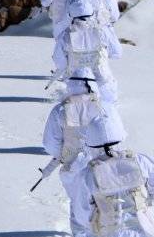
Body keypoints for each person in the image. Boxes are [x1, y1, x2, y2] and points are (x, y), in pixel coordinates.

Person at [40, 68, 118, 203]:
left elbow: (51, 144)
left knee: (78, 205)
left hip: (73, 166)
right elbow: (117, 137)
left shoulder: (60, 110)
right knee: (105, 206)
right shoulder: (107, 107)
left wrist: (63, 156)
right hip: (104, 166)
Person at [52, 0, 121, 101]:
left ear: (71, 14)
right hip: (104, 85)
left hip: (78, 85)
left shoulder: (66, 35)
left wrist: (66, 69)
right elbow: (116, 51)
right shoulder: (102, 31)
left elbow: (58, 59)